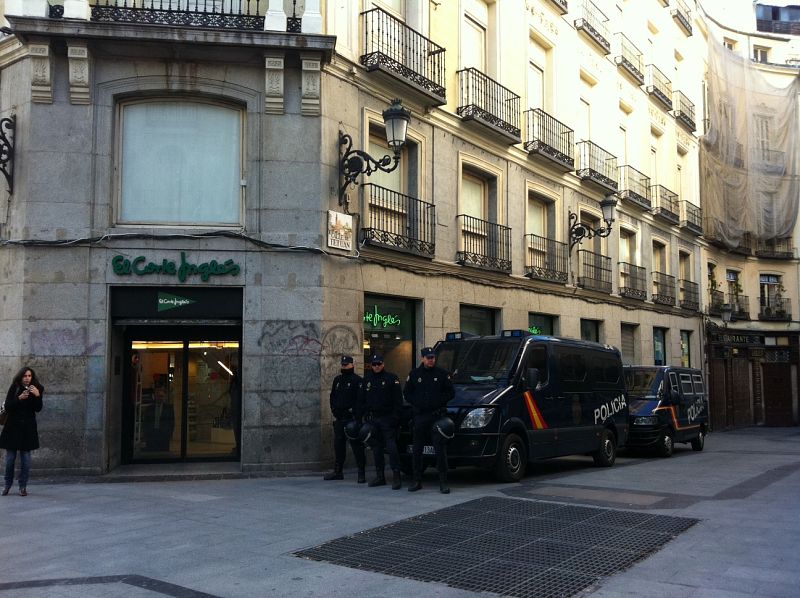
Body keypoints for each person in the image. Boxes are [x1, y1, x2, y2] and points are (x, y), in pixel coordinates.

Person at [404, 347, 455, 494]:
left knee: (440, 449)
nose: (431, 360)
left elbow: (450, 392)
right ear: (422, 358)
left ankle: (443, 481)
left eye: (432, 357)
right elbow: (407, 393)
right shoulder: (414, 374)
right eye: (428, 357)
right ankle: (417, 480)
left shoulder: (441, 374)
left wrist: (439, 402)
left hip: (436, 416)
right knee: (417, 449)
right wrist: (417, 403)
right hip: (420, 416)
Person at [360, 353, 403, 489]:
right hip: (373, 419)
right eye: (374, 364)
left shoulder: (391, 378)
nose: (376, 366)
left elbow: (398, 400)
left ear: (383, 364)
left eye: (379, 364)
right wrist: (364, 414)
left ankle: (396, 475)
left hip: (387, 418)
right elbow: (362, 399)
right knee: (376, 448)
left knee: (391, 447)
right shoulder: (367, 380)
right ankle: (380, 476)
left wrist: (396, 418)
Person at [1, 366, 44, 496]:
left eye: (29, 376)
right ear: (21, 377)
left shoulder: (38, 388)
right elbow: (8, 406)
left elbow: (38, 408)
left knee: (26, 459)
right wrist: (19, 398)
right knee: (10, 459)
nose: (27, 378)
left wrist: (37, 396)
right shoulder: (15, 387)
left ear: (32, 377)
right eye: (25, 376)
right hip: (12, 427)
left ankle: (22, 486)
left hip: (28, 429)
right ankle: (7, 485)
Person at [323, 355, 366, 483]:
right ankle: (338, 471)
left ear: (352, 365)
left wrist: (356, 415)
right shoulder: (338, 380)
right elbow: (333, 397)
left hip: (352, 419)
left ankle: (361, 472)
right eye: (343, 364)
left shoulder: (357, 380)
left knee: (357, 447)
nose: (344, 366)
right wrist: (334, 410)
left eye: (346, 364)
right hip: (340, 418)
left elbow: (360, 401)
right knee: (338, 446)